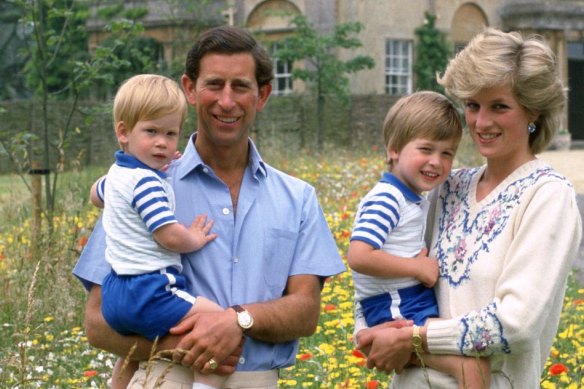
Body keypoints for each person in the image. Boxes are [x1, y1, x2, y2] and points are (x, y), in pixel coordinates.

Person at [73, 25, 346, 389]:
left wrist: (236, 321)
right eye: (214, 84)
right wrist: (183, 346)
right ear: (190, 89)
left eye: (241, 87)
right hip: (167, 375)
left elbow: (306, 311)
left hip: (258, 380)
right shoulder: (141, 184)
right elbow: (97, 323)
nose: (227, 101)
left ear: (263, 94)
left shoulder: (297, 198)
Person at [356, 28, 582, 388]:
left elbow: (516, 324)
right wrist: (369, 331)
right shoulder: (447, 187)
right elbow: (384, 266)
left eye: (499, 106)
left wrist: (412, 339)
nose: (480, 122)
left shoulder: (547, 195)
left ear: (533, 112)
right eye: (473, 105)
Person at [89, 73, 230, 389]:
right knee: (216, 322)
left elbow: (94, 194)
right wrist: (193, 237)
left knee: (131, 357)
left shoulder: (117, 175)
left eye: (170, 134)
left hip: (115, 293)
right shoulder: (147, 184)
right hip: (150, 290)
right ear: (123, 132)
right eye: (151, 132)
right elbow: (166, 235)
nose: (162, 143)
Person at [349, 91, 490, 388]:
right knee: (471, 365)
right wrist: (417, 267)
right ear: (394, 150)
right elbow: (359, 256)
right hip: (398, 307)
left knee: (469, 364)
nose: (436, 162)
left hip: (405, 303)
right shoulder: (387, 198)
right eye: (426, 149)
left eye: (447, 153)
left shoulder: (409, 198)